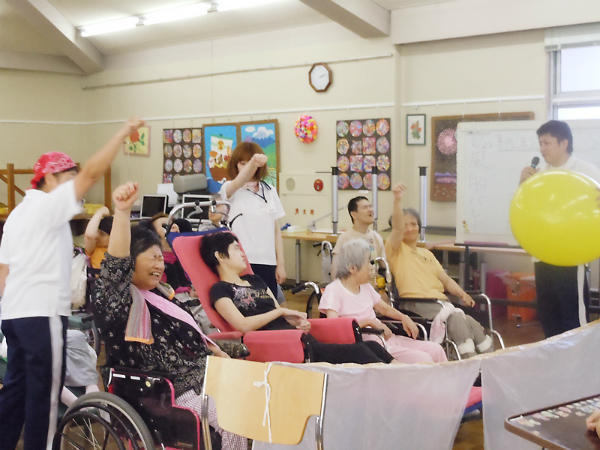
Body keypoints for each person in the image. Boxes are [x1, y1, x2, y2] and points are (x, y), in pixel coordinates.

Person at [0, 118, 144, 450]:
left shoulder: (18, 215)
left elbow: (4, 271)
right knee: (44, 397)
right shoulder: (49, 207)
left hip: (15, 315)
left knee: (16, 391)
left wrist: (16, 307)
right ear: (48, 179)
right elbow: (92, 173)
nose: (73, 183)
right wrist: (122, 133)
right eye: (67, 176)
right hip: (41, 314)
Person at [93, 182, 246, 450]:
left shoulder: (164, 296)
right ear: (130, 262)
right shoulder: (118, 301)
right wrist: (122, 212)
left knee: (261, 405)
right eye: (152, 257)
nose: (159, 264)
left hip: (205, 379)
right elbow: (115, 263)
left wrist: (218, 352)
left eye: (160, 258)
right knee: (234, 419)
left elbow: (192, 342)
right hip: (164, 394)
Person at [201, 231, 397, 365]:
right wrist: (281, 311)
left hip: (299, 338)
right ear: (220, 255)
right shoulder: (219, 290)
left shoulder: (255, 280)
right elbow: (242, 325)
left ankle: (408, 379)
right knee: (361, 353)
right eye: (236, 248)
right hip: (280, 347)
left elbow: (278, 315)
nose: (242, 253)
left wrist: (294, 322)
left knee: (372, 346)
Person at [386, 183, 493, 359]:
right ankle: (470, 364)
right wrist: (397, 201)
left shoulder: (426, 253)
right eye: (406, 224)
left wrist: (462, 294)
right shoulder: (395, 250)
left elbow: (446, 280)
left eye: (413, 224)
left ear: (419, 227)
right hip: (415, 304)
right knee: (458, 319)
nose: (410, 228)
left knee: (471, 323)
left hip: (439, 304)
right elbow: (397, 228)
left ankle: (490, 363)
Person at [519, 120, 600, 338]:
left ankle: (579, 365)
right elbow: (528, 212)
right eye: (540, 143)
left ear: (564, 143)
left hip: (571, 256)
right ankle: (555, 363)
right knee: (548, 314)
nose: (542, 149)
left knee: (572, 316)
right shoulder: (539, 176)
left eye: (547, 143)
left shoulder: (586, 172)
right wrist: (523, 185)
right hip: (542, 255)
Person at [320, 239, 447, 364]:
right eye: (369, 262)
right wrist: (370, 322)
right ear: (352, 268)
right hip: (368, 347)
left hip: (385, 339)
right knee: (423, 359)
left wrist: (403, 317)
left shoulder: (366, 287)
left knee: (436, 350)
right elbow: (334, 327)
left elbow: (384, 309)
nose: (372, 267)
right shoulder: (334, 290)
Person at [219, 142, 286, 296]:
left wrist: (280, 263)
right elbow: (238, 181)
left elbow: (276, 231)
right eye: (243, 163)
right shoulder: (229, 188)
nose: (247, 167)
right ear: (235, 165)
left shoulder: (269, 191)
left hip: (268, 262)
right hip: (241, 261)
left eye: (249, 163)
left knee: (269, 306)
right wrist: (253, 163)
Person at [331, 196, 385, 285]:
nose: (370, 210)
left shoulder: (376, 237)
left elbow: (384, 267)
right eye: (365, 207)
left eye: (370, 206)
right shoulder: (345, 238)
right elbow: (335, 271)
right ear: (354, 214)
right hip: (352, 290)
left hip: (373, 290)